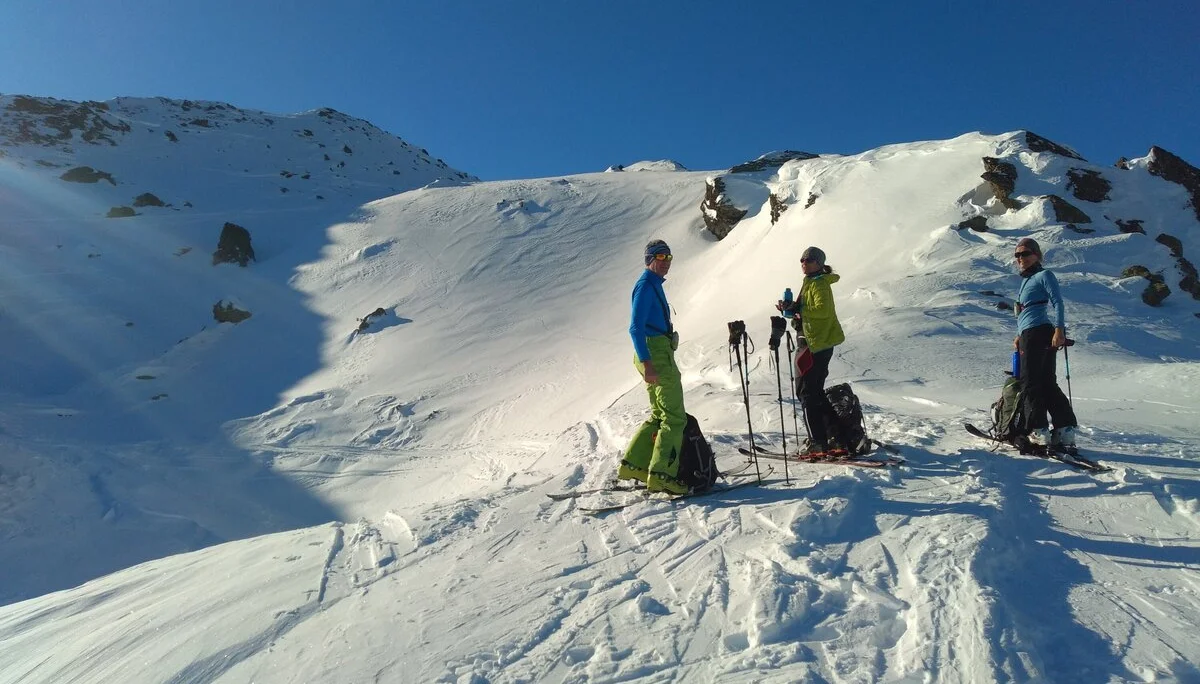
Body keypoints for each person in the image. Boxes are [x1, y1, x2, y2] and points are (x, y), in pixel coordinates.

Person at [617, 239, 690, 494]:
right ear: (650, 259)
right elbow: (635, 327)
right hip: (655, 353)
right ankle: (662, 475)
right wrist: (648, 363)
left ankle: (634, 466)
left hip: (654, 351)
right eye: (661, 257)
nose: (666, 262)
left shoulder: (652, 284)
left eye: (669, 257)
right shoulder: (646, 285)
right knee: (674, 418)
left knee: (660, 415)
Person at [778, 246, 846, 455]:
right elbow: (805, 312)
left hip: (816, 344)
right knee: (813, 391)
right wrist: (791, 309)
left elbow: (822, 310)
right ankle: (837, 437)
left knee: (807, 392)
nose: (803, 263)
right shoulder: (811, 282)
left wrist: (800, 309)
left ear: (818, 263)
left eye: (808, 260)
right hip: (814, 343)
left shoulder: (820, 285)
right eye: (802, 260)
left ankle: (819, 442)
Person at [1012, 237, 1077, 447]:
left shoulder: (1044, 275)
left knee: (1029, 381)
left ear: (1037, 255)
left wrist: (1059, 330)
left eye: (1025, 254)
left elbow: (1057, 301)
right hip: (1032, 333)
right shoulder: (1026, 281)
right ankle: (1064, 429)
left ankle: (1038, 430)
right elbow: (1024, 313)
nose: (1020, 258)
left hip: (1038, 333)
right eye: (1017, 255)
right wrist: (1019, 335)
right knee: (1047, 382)